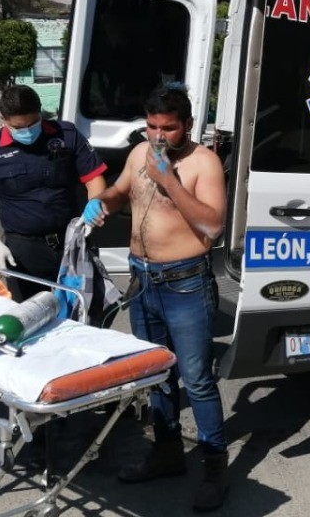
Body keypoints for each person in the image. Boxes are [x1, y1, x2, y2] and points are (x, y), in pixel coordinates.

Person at [82, 84, 229, 511]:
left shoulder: (205, 163)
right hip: (143, 281)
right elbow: (121, 190)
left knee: (197, 380)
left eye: (168, 127)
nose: (158, 135)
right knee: (155, 374)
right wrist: (103, 202)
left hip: (185, 284)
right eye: (151, 126)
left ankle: (215, 467)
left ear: (186, 126)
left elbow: (213, 226)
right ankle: (166, 452)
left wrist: (169, 180)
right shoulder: (138, 153)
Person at [0, 85, 107, 301]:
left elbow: (94, 178)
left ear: (40, 112)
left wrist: (94, 205)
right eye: (19, 127)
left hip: (71, 241)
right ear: (3, 118)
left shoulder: (66, 136)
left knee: (83, 313)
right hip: (24, 252)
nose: (27, 131)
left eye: (33, 123)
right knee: (30, 317)